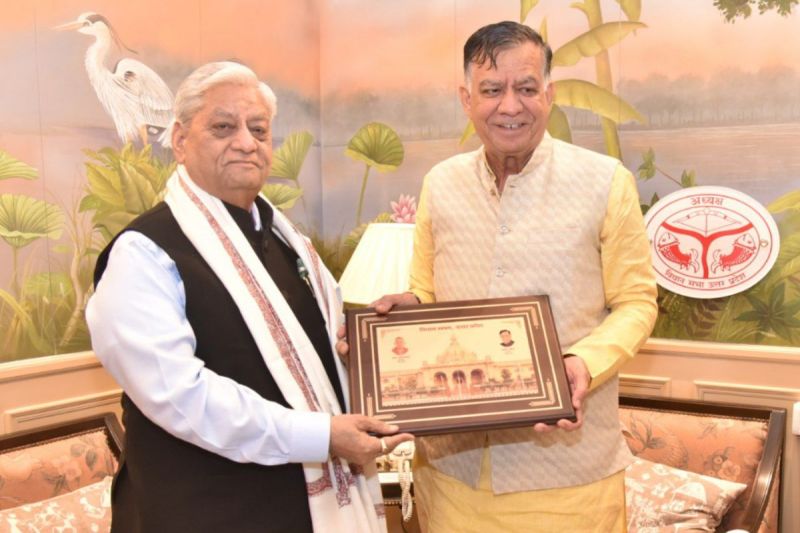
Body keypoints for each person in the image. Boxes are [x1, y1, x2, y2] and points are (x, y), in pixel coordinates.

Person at [86, 61, 412, 533]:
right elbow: (180, 396)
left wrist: (383, 336)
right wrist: (320, 436)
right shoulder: (144, 252)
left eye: (258, 129)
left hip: (300, 509)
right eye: (223, 127)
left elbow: (327, 348)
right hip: (199, 511)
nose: (246, 141)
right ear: (179, 140)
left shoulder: (287, 242)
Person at [371, 21, 657, 532]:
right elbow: (426, 293)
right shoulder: (441, 183)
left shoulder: (604, 182)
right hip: (450, 471)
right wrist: (409, 314)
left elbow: (636, 301)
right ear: (466, 98)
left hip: (566, 477)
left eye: (526, 88)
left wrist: (582, 362)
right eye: (492, 90)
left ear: (548, 95)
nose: (510, 106)